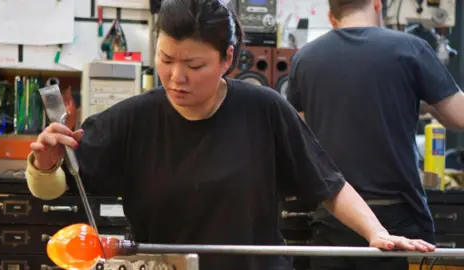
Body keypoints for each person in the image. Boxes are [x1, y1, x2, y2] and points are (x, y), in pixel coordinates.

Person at [25, 0, 435, 269]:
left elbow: (328, 183)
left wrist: (375, 232)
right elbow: (58, 185)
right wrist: (43, 164)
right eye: (166, 60)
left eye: (195, 65)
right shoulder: (135, 119)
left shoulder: (264, 110)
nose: (176, 77)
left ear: (228, 61)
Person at [286, 0, 464, 269]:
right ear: (378, 5)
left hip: (333, 214)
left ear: (332, 17)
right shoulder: (410, 48)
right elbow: (458, 117)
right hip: (395, 219)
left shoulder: (305, 57)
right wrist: (426, 102)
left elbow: (298, 137)